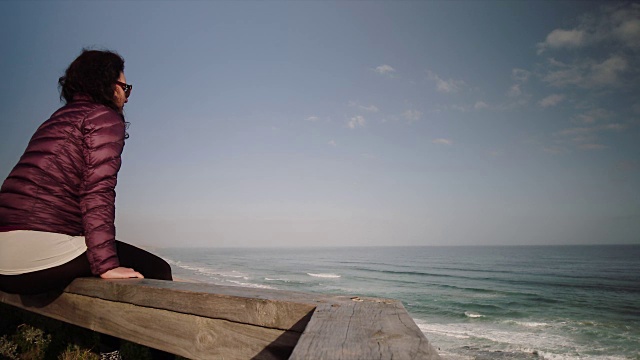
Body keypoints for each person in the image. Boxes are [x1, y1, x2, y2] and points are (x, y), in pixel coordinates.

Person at [0, 49, 173, 360]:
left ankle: (110, 351)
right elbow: (98, 192)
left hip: (3, 257)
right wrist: (107, 265)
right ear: (107, 84)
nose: (127, 96)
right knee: (159, 270)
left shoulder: (56, 119)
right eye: (125, 87)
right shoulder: (103, 118)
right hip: (34, 256)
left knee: (100, 259)